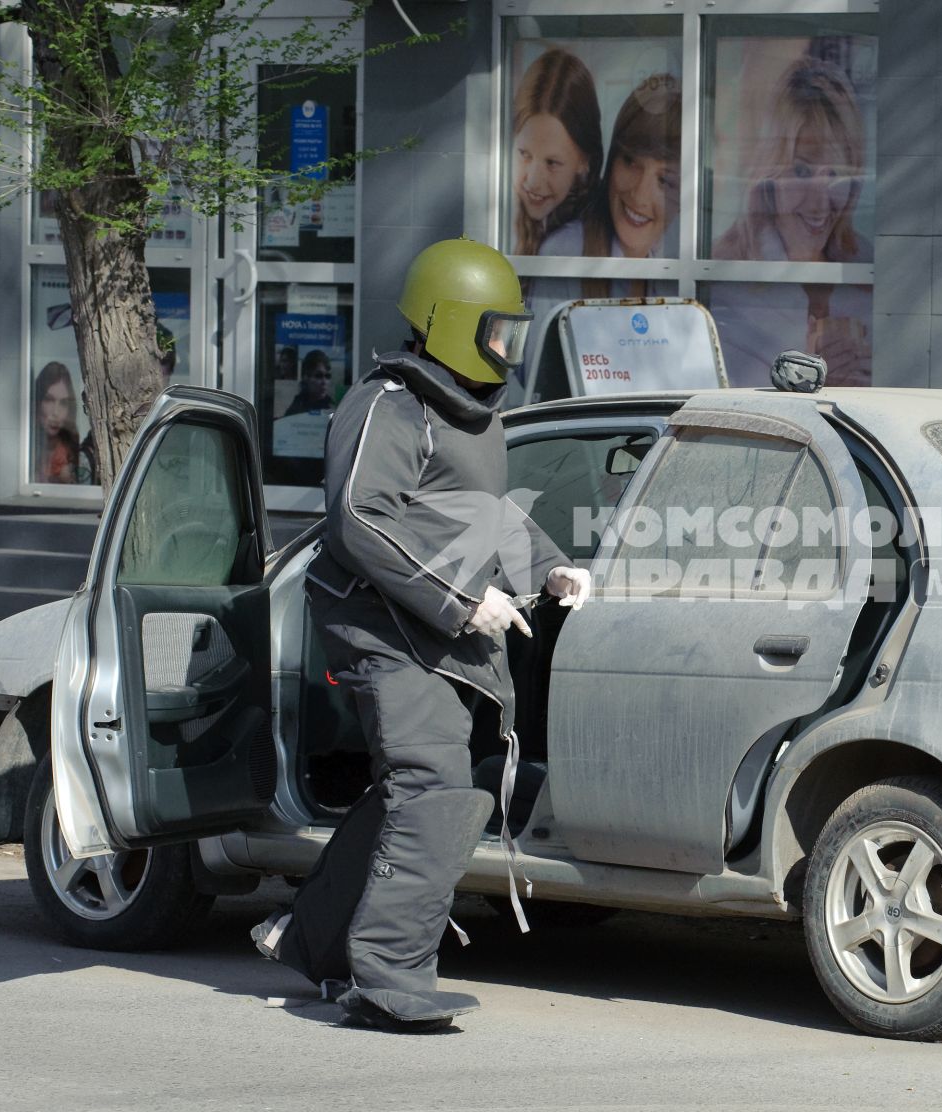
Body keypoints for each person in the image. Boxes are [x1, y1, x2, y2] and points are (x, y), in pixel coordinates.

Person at [253, 238, 591, 1032]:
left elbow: (485, 517)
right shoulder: (385, 406)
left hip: (431, 623)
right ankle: (389, 979)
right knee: (435, 783)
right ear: (452, 323)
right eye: (497, 329)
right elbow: (361, 520)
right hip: (375, 623)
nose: (507, 345)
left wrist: (547, 567)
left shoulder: (472, 414)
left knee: (413, 788)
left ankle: (314, 941)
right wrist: (463, 599)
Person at [709, 59, 872, 386]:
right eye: (801, 171)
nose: (819, 201)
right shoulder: (726, 277)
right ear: (771, 171)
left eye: (834, 174)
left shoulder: (868, 268)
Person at [537, 73, 680, 284]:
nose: (640, 195)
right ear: (612, 159)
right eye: (630, 162)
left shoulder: (674, 268)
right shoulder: (565, 253)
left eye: (664, 180)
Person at [510, 49, 602, 256]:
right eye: (524, 154)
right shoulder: (500, 220)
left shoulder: (584, 239)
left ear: (584, 160)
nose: (533, 181)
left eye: (552, 162)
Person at [32, 361, 90, 484]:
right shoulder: (25, 452)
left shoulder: (78, 460)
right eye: (49, 400)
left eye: (63, 403)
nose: (56, 412)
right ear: (37, 402)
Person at [283, 349, 336, 415]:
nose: (324, 382)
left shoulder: (333, 408)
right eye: (318, 376)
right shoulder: (298, 405)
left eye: (327, 376)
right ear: (306, 377)